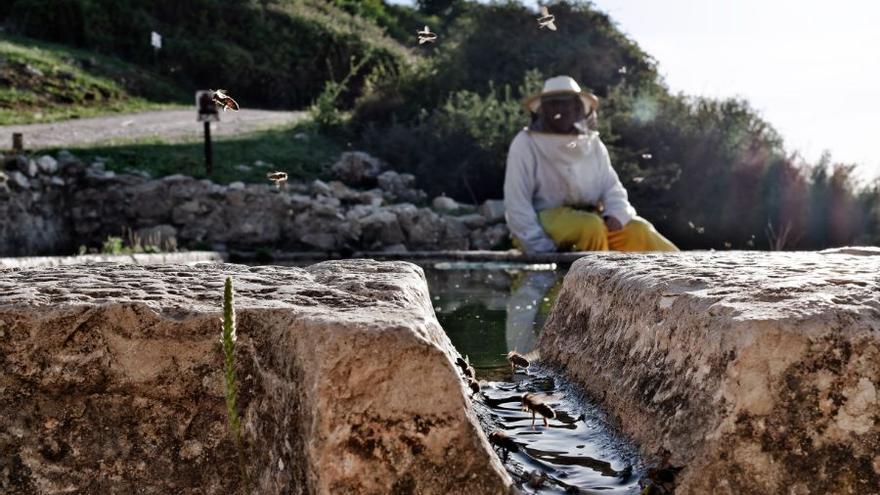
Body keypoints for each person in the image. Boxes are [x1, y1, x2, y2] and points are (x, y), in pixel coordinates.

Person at [504, 75, 678, 253]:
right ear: (544, 109)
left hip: (593, 217)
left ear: (578, 107)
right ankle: (599, 281)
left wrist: (616, 214)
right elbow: (516, 202)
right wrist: (539, 245)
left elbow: (612, 187)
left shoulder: (593, 143)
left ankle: (687, 275)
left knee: (638, 230)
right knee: (590, 227)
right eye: (555, 103)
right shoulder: (525, 143)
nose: (562, 110)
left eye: (568, 103)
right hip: (546, 221)